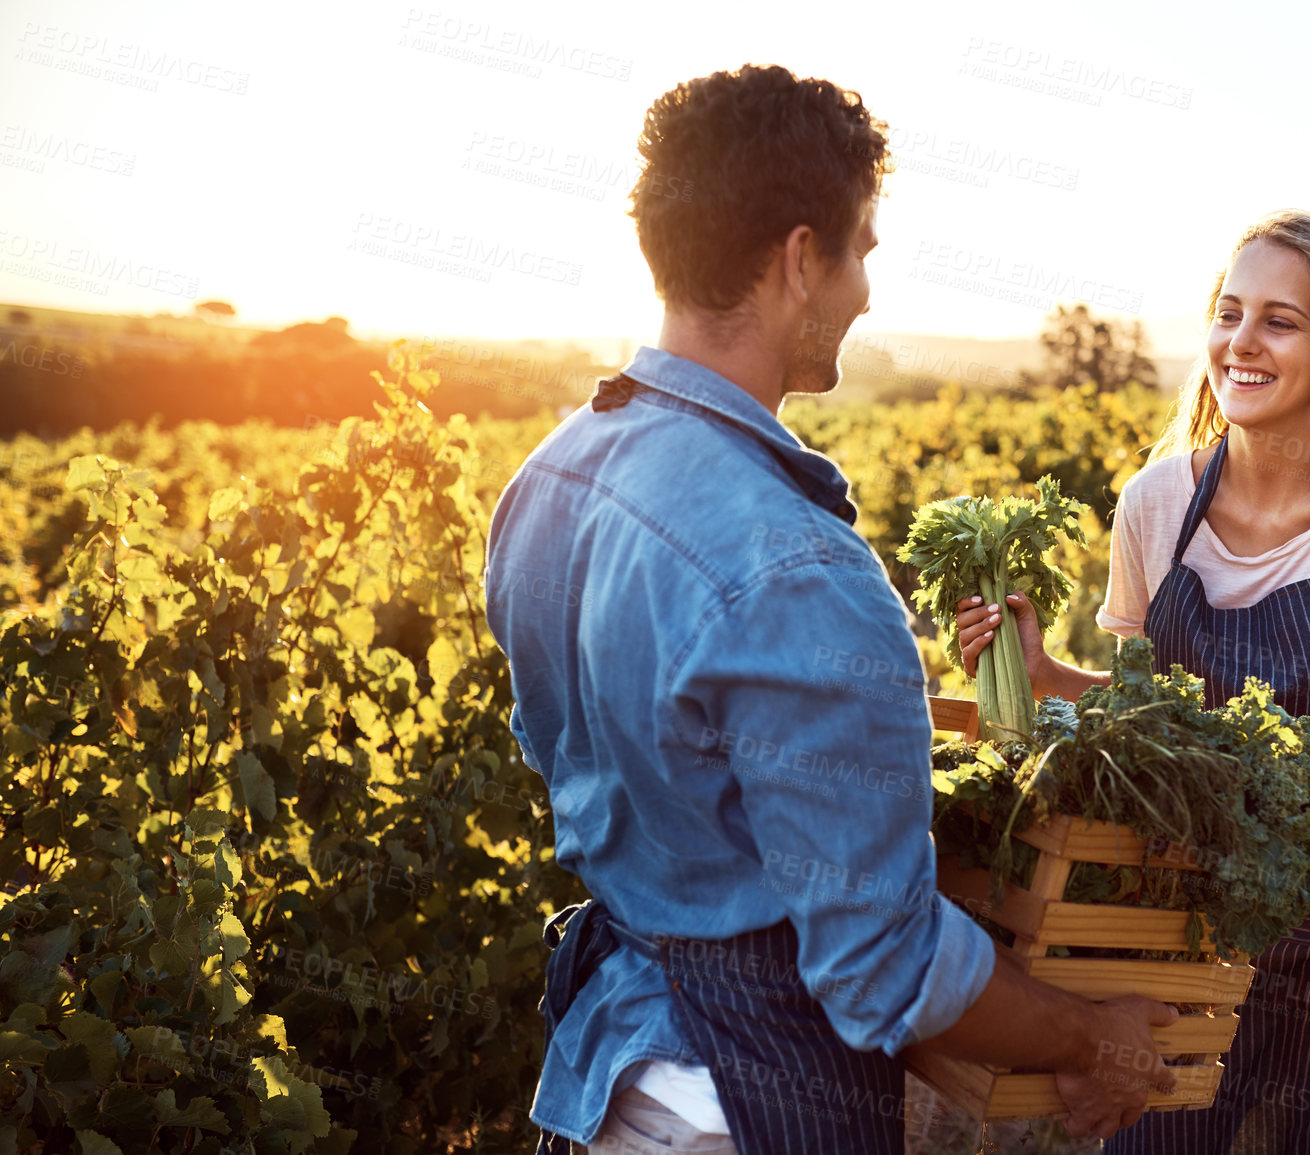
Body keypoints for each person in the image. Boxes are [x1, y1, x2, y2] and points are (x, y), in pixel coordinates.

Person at [484, 64, 1179, 1155]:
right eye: (860, 252)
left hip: (607, 1081)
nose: (866, 290)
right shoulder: (803, 568)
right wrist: (1096, 1039)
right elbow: (881, 969)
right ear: (801, 260)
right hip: (739, 1111)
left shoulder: (549, 481)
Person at [955, 209, 1310, 1154]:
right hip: (1187, 927)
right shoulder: (1154, 503)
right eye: (1228, 313)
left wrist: (1276, 804)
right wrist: (1042, 667)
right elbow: (1146, 719)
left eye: (1279, 321)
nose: (1241, 343)